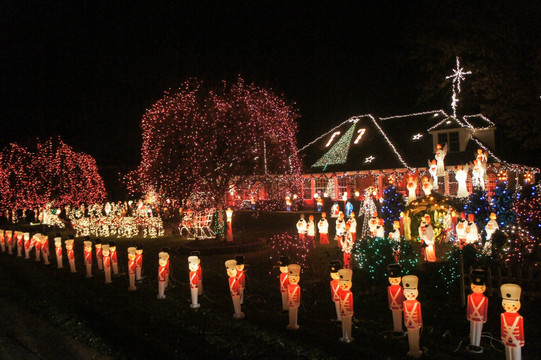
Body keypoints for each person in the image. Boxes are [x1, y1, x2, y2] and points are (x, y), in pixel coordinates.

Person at [500, 283, 524, 360]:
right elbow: (502, 327)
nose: (509, 306)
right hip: (507, 338)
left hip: (516, 339)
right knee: (508, 353)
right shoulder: (503, 316)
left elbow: (521, 329)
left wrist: (521, 340)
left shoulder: (518, 318)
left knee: (516, 354)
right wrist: (503, 337)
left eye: (513, 305)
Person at [467, 269, 488, 354]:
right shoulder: (470, 297)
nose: (477, 289)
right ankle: (472, 343)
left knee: (478, 330)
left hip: (480, 317)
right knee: (472, 329)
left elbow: (485, 308)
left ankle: (477, 344)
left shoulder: (484, 299)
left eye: (479, 287)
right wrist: (468, 315)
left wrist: (485, 318)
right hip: (472, 316)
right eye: (475, 287)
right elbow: (469, 307)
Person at [403, 275, 423, 358]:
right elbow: (404, 313)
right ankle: (411, 350)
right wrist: (405, 322)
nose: (409, 295)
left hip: (415, 323)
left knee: (415, 336)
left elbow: (419, 313)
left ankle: (416, 350)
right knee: (410, 337)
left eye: (411, 293)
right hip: (408, 323)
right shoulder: (405, 303)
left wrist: (419, 323)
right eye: (407, 293)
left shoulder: (417, 303)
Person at [387, 264, 404, 336]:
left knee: (399, 317)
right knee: (394, 317)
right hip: (393, 306)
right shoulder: (389, 288)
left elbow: (402, 297)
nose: (394, 281)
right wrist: (390, 305)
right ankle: (396, 328)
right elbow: (389, 297)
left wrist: (402, 305)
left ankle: (399, 329)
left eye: (395, 279)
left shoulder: (400, 288)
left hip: (399, 305)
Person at [338, 269, 354, 343]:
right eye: (342, 283)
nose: (344, 285)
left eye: (345, 283)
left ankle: (348, 337)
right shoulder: (341, 293)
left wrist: (350, 311)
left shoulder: (349, 293)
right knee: (344, 324)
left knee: (348, 324)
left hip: (348, 311)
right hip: (343, 311)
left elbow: (350, 303)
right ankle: (344, 336)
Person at [287, 264, 301, 330]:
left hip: (295, 303)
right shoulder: (289, 286)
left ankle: (294, 324)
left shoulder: (297, 287)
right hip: (290, 302)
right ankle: (291, 324)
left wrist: (298, 302)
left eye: (295, 277)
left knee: (294, 313)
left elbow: (298, 295)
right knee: (290, 313)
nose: (293, 279)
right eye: (291, 277)